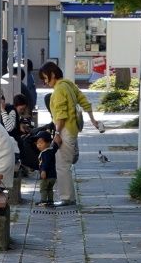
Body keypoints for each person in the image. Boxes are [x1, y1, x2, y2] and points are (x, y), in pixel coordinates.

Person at [38, 61, 101, 207]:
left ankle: (67, 198)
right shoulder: (69, 84)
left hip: (65, 130)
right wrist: (93, 119)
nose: (45, 83)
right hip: (73, 130)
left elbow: (61, 115)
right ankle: (68, 195)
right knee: (66, 161)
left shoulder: (59, 90)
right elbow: (84, 101)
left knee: (62, 165)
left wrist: (57, 133)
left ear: (52, 75)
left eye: (45, 78)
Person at [1, 94, 35, 176]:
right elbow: (9, 127)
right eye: (21, 109)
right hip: (11, 144)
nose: (22, 111)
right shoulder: (12, 111)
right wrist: (2, 110)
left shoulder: (12, 110)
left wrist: (20, 126)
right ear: (17, 106)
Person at [30, 128, 59, 205]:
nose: (38, 145)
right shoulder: (51, 150)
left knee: (43, 188)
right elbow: (55, 147)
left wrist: (43, 171)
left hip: (47, 175)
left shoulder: (45, 153)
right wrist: (56, 142)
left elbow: (45, 163)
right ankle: (50, 201)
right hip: (53, 176)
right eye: (37, 143)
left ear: (48, 143)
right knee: (49, 189)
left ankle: (43, 200)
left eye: (41, 143)